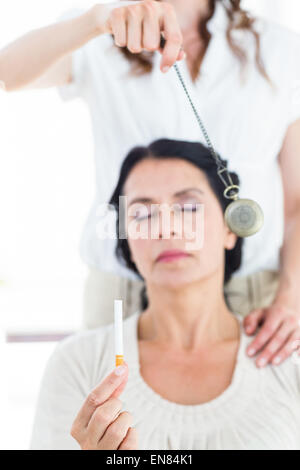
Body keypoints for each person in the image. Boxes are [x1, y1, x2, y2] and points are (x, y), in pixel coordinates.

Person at [1, 1, 300, 366]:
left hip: (252, 298)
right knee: (112, 418)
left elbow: (296, 202)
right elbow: (7, 72)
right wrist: (95, 22)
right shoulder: (98, 35)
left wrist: (291, 296)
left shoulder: (281, 51)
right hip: (124, 291)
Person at [30, 139, 300, 450]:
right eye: (142, 215)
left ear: (230, 228)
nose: (165, 228)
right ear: (127, 240)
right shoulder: (78, 364)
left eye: (187, 208)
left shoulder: (287, 359)